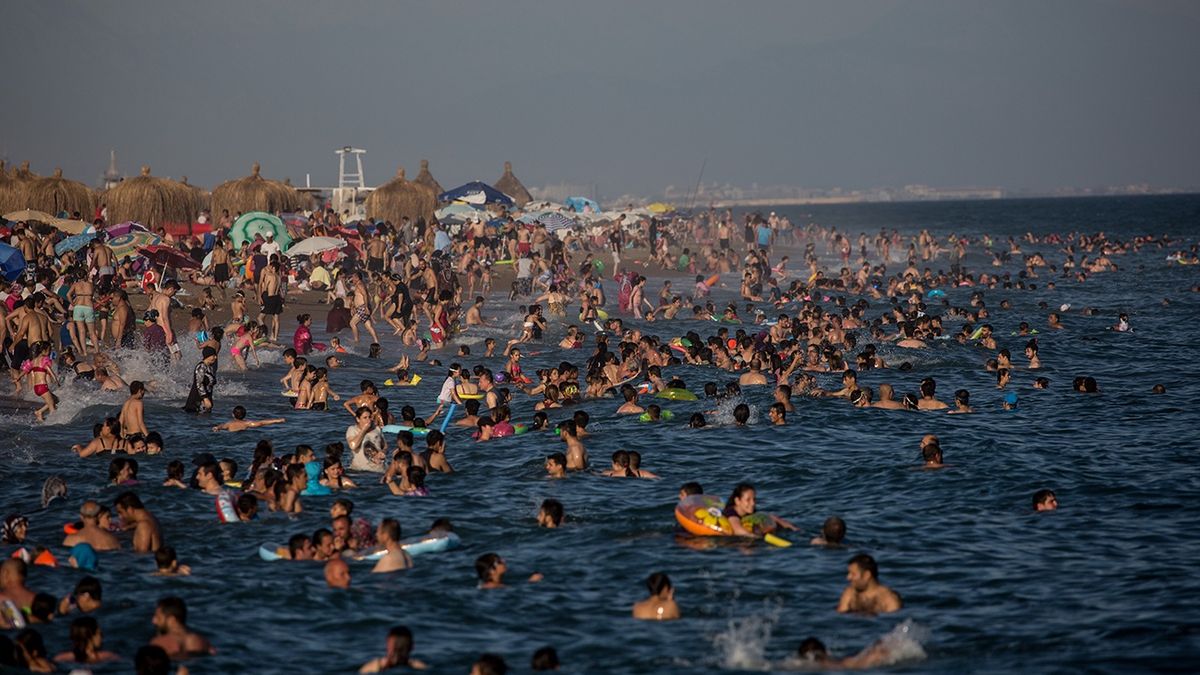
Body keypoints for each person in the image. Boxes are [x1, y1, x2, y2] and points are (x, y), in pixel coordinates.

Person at [837, 553, 902, 615]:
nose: (848, 577)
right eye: (849, 574)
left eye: (853, 574)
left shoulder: (889, 598)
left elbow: (893, 619)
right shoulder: (850, 593)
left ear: (866, 575)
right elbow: (840, 616)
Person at [149, 596, 214, 658]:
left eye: (158, 617)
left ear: (172, 620)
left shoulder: (157, 643)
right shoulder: (204, 642)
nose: (154, 621)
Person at [359, 625, 426, 673]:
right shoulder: (420, 668)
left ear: (387, 645)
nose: (398, 649)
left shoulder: (369, 669)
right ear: (412, 646)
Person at [54, 616, 119, 664]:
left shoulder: (60, 658)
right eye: (100, 633)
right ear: (91, 637)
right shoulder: (109, 656)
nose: (102, 637)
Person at [184, 347, 218, 413]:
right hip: (197, 401)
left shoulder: (210, 367)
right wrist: (205, 398)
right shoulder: (201, 367)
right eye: (213, 356)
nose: (215, 358)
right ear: (207, 356)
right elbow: (199, 384)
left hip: (205, 402)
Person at [211, 405, 285, 432]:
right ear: (245, 415)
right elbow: (262, 423)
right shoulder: (247, 423)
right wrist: (278, 420)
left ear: (233, 415)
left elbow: (222, 426)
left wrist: (217, 427)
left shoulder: (229, 424)